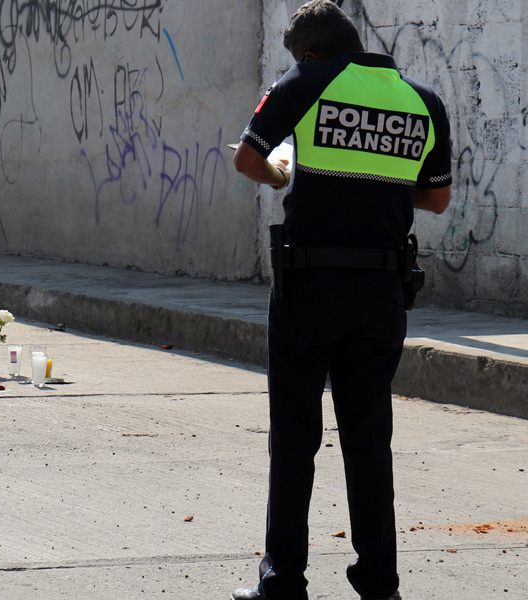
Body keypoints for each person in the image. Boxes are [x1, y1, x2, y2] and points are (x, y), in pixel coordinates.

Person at [230, 2, 451, 600]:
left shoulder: (304, 82)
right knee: (369, 436)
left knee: (295, 437)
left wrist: (285, 174)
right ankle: (379, 583)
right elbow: (437, 200)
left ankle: (283, 584)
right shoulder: (421, 99)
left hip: (309, 288)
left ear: (313, 53)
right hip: (382, 292)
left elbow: (248, 159)